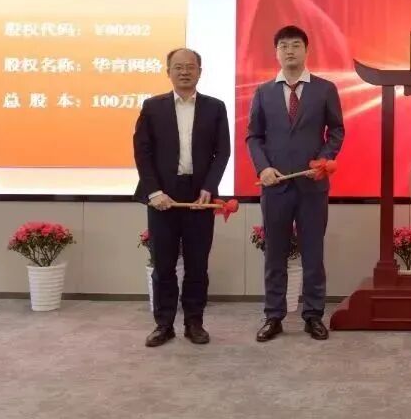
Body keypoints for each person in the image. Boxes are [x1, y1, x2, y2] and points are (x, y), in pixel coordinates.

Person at [247, 25, 344, 342]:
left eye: (296, 45)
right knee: (274, 254)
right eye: (284, 46)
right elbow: (254, 136)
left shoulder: (325, 89)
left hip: (312, 187)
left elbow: (336, 131)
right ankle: (273, 316)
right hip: (275, 186)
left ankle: (313, 315)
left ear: (306, 50)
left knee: (313, 254)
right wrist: (263, 168)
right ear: (276, 52)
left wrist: (323, 160)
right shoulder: (263, 92)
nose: (290, 51)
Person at [133, 48, 230, 347]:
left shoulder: (215, 107)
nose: (184, 71)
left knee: (197, 265)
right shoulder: (152, 107)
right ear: (168, 72)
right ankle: (163, 325)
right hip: (163, 196)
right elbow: (142, 152)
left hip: (199, 196)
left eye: (190, 66)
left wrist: (210, 187)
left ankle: (194, 323)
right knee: (163, 266)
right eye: (178, 67)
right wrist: (154, 191)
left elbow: (222, 152)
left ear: (200, 71)